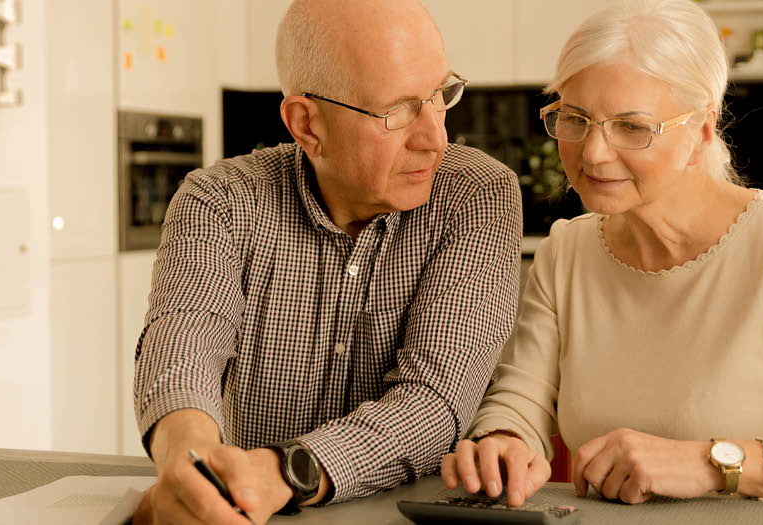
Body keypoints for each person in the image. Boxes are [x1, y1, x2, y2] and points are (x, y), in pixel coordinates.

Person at [441, 0, 763, 507]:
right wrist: (501, 441)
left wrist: (713, 463)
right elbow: (520, 402)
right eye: (574, 119)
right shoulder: (566, 251)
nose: (592, 152)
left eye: (632, 127)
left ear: (703, 128)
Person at [131, 0, 523, 522]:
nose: (436, 139)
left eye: (439, 96)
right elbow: (183, 345)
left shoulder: (477, 194)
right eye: (399, 110)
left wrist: (282, 472)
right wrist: (191, 464)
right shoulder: (219, 201)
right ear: (306, 124)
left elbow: (434, 400)